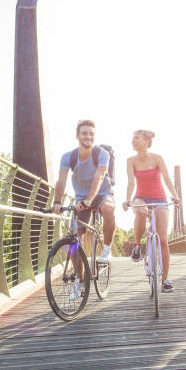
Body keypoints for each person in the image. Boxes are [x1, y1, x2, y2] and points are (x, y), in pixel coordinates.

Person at [53, 120, 116, 298]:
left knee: (108, 209)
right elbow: (62, 180)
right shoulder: (68, 157)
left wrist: (90, 199)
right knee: (74, 239)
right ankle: (79, 280)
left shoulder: (101, 154)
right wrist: (57, 201)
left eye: (91, 133)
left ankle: (106, 249)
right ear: (77, 136)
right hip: (81, 198)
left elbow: (100, 174)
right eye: (84, 133)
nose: (88, 136)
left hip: (102, 193)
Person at [122, 130, 180, 292]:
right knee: (140, 210)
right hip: (140, 197)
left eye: (137, 138)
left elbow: (167, 179)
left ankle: (166, 280)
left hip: (160, 198)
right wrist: (127, 199)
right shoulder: (130, 161)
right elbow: (131, 182)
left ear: (146, 141)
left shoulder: (157, 158)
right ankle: (137, 244)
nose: (133, 141)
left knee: (163, 239)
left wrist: (175, 196)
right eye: (132, 139)